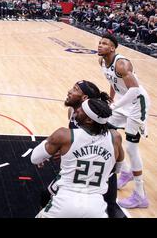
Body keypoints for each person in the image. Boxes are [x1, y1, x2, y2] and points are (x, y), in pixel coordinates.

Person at [40, 80, 122, 217]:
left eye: (75, 89)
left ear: (84, 98)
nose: (70, 91)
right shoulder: (73, 111)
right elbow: (76, 140)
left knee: (110, 209)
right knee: (46, 196)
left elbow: (115, 152)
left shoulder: (105, 127)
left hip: (101, 174)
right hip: (80, 169)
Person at [98, 33, 150, 209]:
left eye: (104, 43)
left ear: (112, 48)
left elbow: (134, 90)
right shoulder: (102, 62)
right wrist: (110, 101)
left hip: (137, 104)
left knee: (131, 148)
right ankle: (126, 171)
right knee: (105, 129)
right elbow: (113, 83)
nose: (100, 45)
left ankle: (140, 196)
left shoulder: (122, 64)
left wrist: (115, 106)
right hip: (123, 102)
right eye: (99, 42)